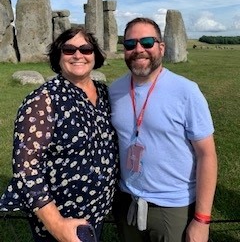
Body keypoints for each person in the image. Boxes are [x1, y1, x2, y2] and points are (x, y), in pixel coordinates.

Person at [0, 27, 119, 242]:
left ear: (95, 55)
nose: (78, 55)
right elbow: (26, 171)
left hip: (97, 213)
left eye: (86, 48)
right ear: (58, 55)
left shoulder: (104, 93)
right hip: (60, 221)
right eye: (68, 49)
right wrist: (57, 225)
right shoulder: (43, 100)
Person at [109, 17, 217, 242]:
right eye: (130, 44)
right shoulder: (115, 90)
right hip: (127, 201)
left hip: (173, 207)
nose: (139, 49)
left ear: (161, 46)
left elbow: (206, 155)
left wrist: (202, 219)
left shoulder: (186, 91)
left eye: (147, 42)